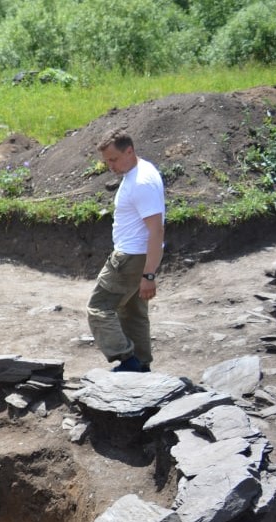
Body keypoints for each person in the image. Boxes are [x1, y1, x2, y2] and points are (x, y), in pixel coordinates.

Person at [88, 130, 165, 373]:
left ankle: (127, 360)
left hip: (129, 258)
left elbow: (157, 230)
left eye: (113, 159)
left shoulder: (141, 183)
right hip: (137, 256)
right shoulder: (140, 170)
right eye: (106, 161)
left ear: (129, 151)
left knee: (99, 309)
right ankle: (141, 364)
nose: (110, 166)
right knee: (133, 313)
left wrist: (149, 275)